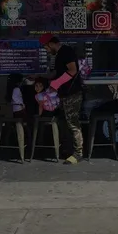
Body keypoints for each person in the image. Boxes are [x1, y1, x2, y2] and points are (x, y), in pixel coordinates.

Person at [40, 34, 84, 164]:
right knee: (64, 121)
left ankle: (78, 153)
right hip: (64, 94)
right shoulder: (59, 54)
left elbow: (72, 70)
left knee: (73, 123)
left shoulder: (66, 51)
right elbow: (58, 72)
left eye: (46, 47)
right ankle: (67, 149)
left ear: (51, 44)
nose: (46, 51)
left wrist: (56, 83)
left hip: (72, 94)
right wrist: (40, 76)